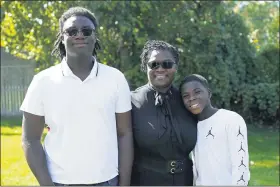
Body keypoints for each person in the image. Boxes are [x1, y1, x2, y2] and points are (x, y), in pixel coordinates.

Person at [20, 7, 133, 186]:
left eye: (86, 31)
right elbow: (30, 139)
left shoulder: (115, 78)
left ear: (95, 37)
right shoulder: (42, 81)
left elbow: (125, 133)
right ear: (62, 38)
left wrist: (124, 183)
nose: (79, 35)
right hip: (59, 182)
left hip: (108, 181)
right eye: (72, 31)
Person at [130, 40, 197, 186]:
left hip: (185, 181)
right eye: (154, 64)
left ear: (176, 67)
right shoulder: (131, 102)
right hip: (145, 181)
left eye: (167, 64)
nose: (160, 69)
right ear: (145, 67)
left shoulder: (188, 101)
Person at [179, 74, 250, 186]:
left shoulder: (231, 119)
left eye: (197, 92)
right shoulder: (191, 126)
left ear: (209, 93)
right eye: (186, 96)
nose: (192, 98)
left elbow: (241, 167)